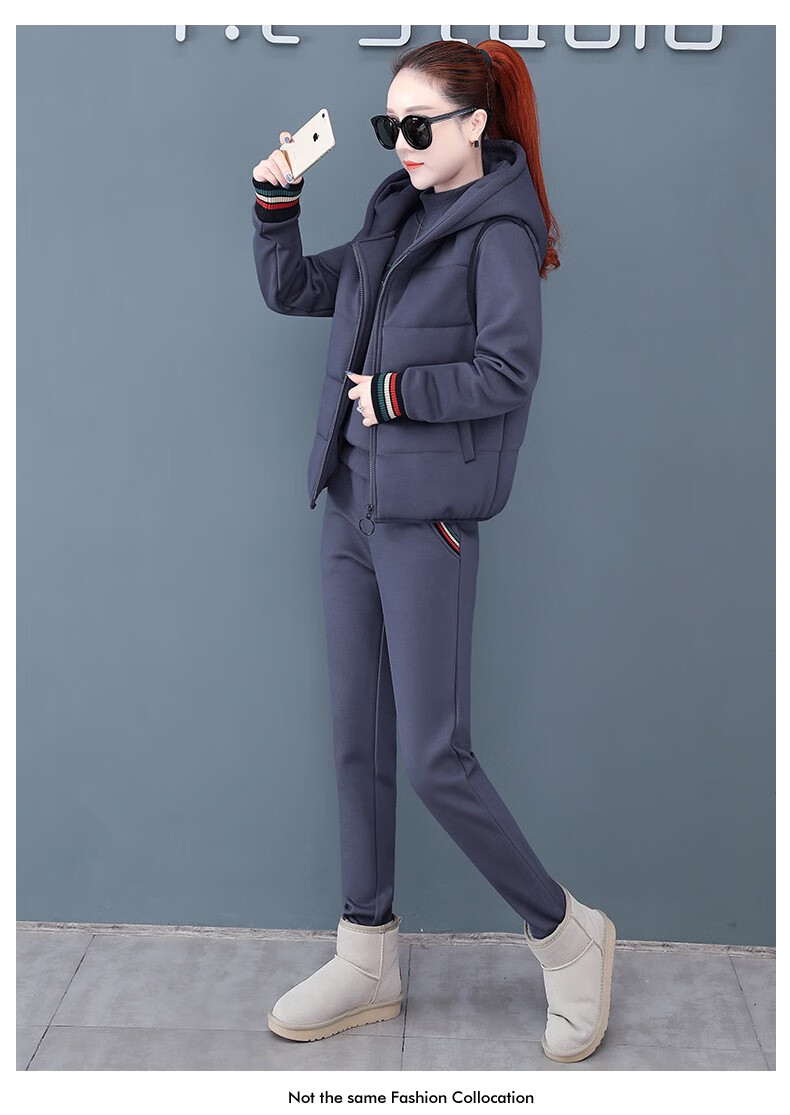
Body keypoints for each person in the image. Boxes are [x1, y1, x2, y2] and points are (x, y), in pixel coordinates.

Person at [251, 39, 616, 1064]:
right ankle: (366, 952)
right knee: (355, 740)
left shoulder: (500, 234)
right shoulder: (395, 217)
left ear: (474, 126)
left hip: (427, 521)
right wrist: (276, 204)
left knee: (433, 757)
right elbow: (295, 291)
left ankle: (568, 935)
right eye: (389, 127)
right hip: (349, 508)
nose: (401, 144)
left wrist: (396, 393)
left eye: (417, 125)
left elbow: (508, 369)